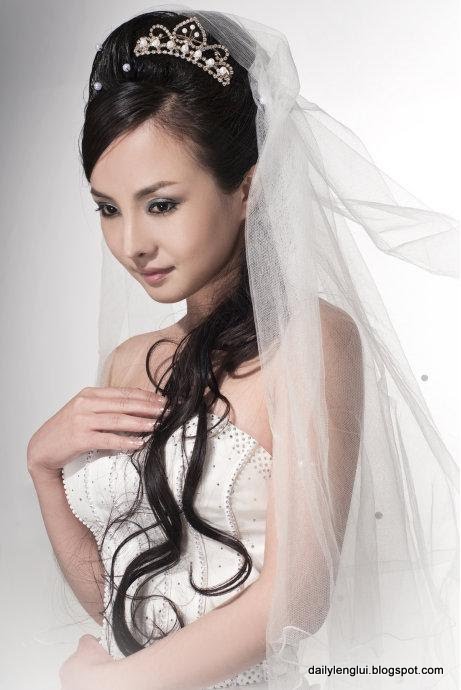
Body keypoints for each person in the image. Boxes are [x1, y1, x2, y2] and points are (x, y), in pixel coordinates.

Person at [27, 5, 459, 690]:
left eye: (160, 203)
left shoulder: (309, 341)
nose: (131, 243)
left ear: (247, 188)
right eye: (108, 208)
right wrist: (43, 468)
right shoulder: (131, 362)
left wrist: (107, 685)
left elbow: (295, 600)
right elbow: (125, 596)